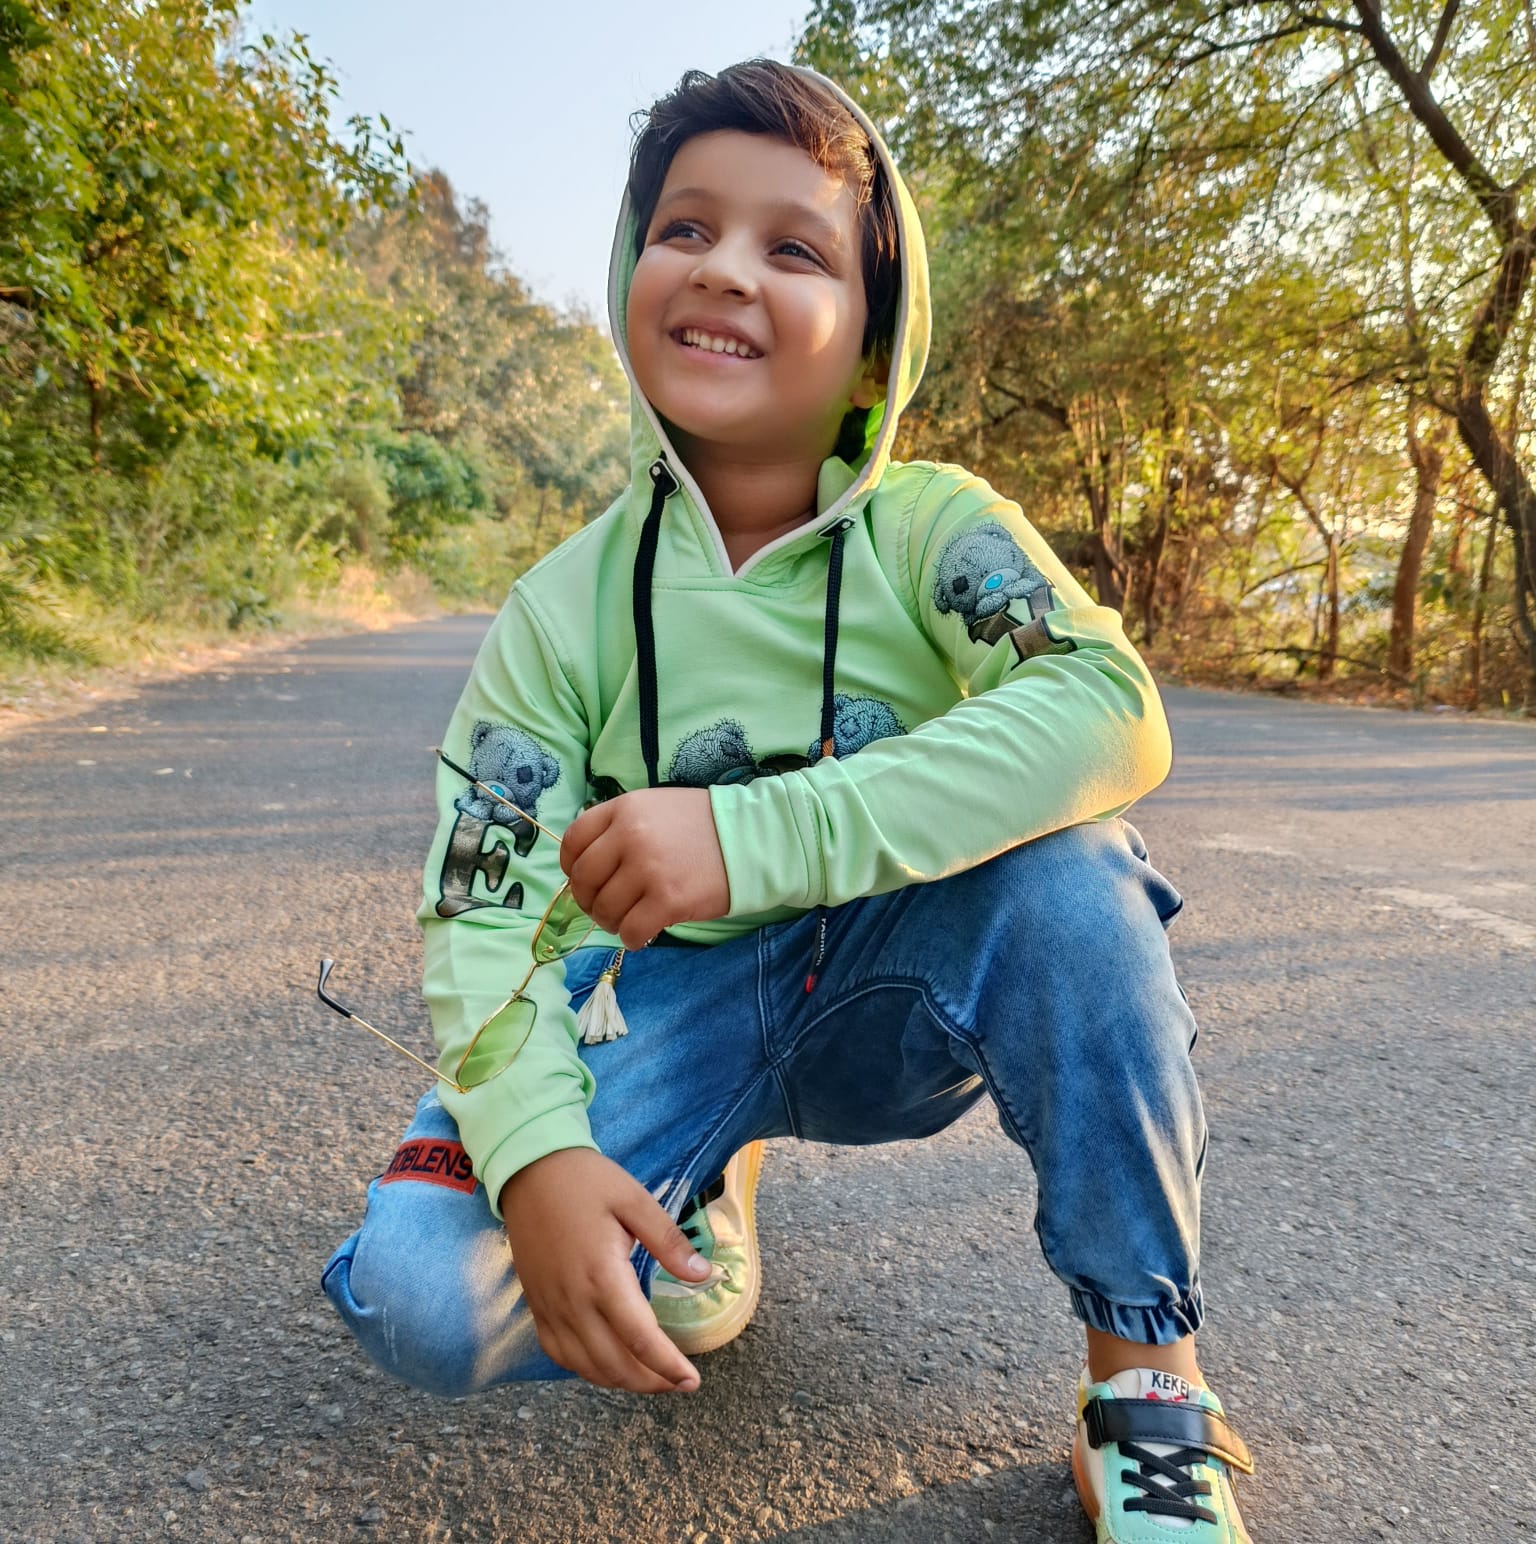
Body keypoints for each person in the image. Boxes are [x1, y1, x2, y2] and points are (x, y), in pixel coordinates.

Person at [321, 59, 1256, 1543]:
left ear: (877, 343)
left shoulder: (936, 528)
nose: (726, 272)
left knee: (1079, 877)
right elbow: (480, 902)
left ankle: (1146, 1380)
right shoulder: (562, 609)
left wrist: (750, 834)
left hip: (897, 999)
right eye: (685, 229)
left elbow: (1107, 706)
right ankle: (697, 1177)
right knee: (420, 1299)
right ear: (634, 272)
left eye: (794, 247)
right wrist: (542, 1158)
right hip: (668, 1010)